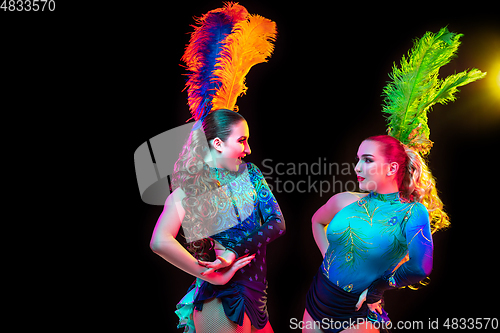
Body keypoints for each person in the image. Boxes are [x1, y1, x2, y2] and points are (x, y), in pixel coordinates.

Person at [150, 109, 285, 333]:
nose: (248, 149)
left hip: (257, 296)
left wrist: (232, 252)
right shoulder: (191, 190)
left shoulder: (251, 174)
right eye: (242, 141)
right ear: (218, 144)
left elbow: (277, 223)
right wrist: (211, 276)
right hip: (222, 299)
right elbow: (159, 241)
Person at [303, 135, 445, 333]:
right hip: (318, 298)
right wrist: (327, 256)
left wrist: (377, 289)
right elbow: (316, 221)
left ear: (392, 168)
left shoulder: (412, 213)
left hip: (355, 312)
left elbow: (421, 268)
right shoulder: (344, 200)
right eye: (358, 159)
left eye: (367, 160)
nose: (357, 168)